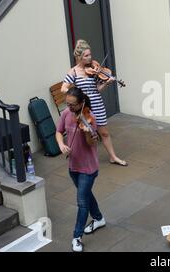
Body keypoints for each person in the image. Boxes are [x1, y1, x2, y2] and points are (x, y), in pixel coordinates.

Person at [61, 39, 127, 166]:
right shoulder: (73, 72)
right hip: (84, 108)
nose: (90, 58)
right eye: (86, 55)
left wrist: (107, 83)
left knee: (104, 133)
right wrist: (77, 92)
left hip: (97, 104)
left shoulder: (93, 70)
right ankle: (86, 159)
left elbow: (97, 89)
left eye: (90, 54)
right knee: (87, 134)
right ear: (79, 57)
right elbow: (63, 89)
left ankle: (113, 157)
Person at [55, 87, 106, 252]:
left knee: (82, 202)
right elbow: (58, 131)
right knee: (86, 194)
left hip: (88, 168)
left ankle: (76, 237)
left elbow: (93, 144)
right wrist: (61, 144)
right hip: (73, 166)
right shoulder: (65, 114)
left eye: (73, 105)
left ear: (82, 103)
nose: (69, 108)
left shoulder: (90, 118)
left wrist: (86, 133)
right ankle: (98, 218)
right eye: (67, 104)